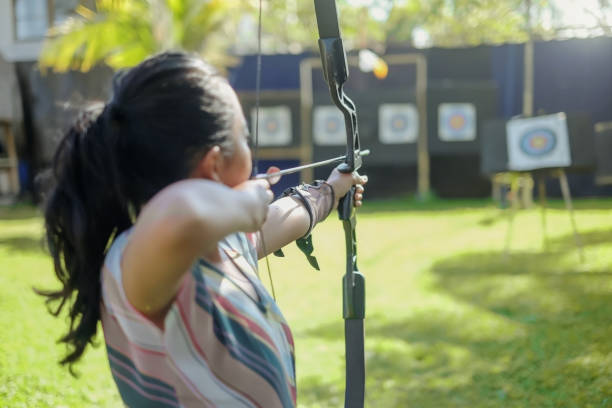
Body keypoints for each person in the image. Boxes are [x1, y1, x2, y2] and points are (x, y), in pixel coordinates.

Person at [40, 51, 367, 407]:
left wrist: (331, 191)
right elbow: (181, 213)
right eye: (244, 138)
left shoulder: (221, 242)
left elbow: (285, 216)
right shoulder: (136, 262)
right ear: (213, 164)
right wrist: (245, 205)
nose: (250, 151)